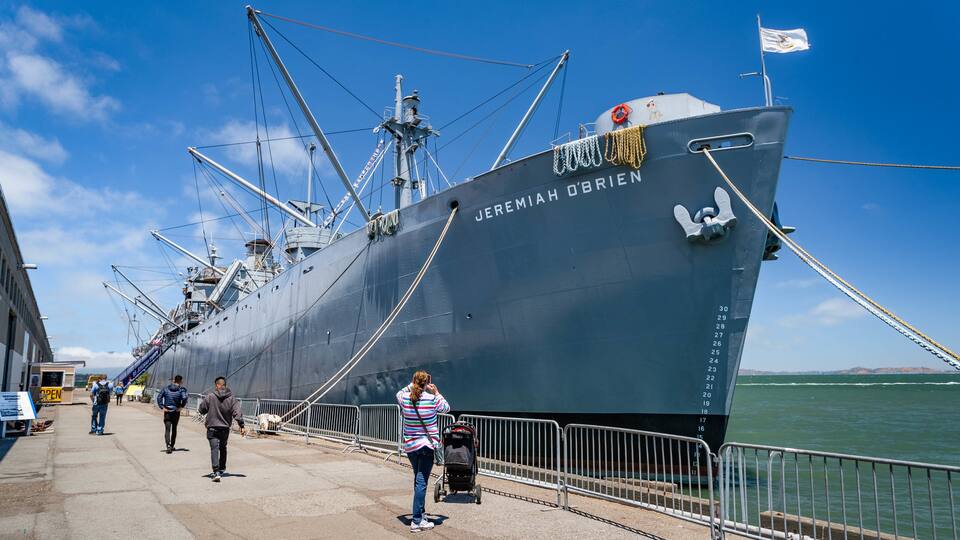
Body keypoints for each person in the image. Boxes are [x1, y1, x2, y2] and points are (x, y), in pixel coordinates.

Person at [396, 370, 450, 532]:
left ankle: (420, 513)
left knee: (418, 480)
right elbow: (446, 408)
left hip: (411, 447)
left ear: (413, 382)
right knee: (421, 482)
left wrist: (412, 385)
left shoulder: (405, 398)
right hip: (427, 446)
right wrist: (436, 392)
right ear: (427, 383)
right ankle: (417, 521)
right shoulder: (432, 399)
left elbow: (399, 393)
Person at [197, 376, 245, 482]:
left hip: (212, 427)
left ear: (217, 385)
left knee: (214, 448)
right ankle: (222, 468)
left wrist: (204, 411)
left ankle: (216, 471)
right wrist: (241, 425)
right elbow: (237, 413)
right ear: (225, 385)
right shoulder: (232, 398)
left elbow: (202, 409)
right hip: (224, 429)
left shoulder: (210, 396)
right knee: (223, 447)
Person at [156, 375, 188, 454]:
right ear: (181, 381)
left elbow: (159, 397)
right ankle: (172, 445)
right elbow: (184, 398)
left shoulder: (166, 389)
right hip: (176, 412)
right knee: (174, 429)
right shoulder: (181, 390)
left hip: (167, 411)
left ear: (174, 381)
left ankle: (168, 446)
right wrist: (181, 406)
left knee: (167, 429)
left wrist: (162, 407)